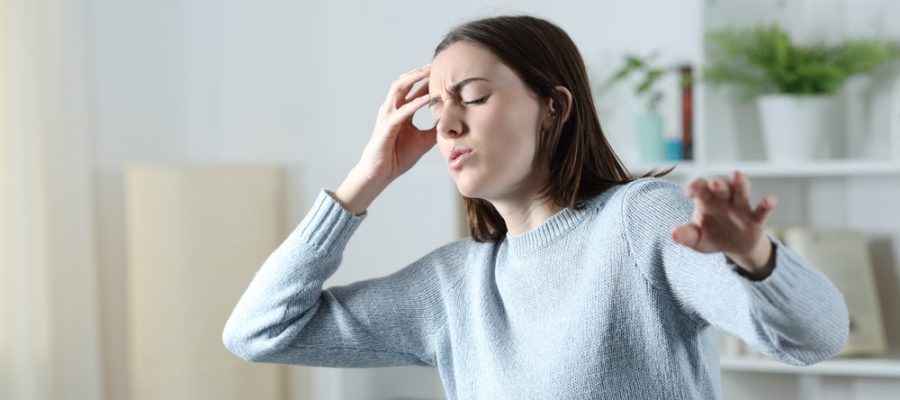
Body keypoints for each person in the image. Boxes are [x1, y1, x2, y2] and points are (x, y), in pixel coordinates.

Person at [223, 15, 849, 399]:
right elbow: (258, 332)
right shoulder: (453, 286)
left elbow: (815, 339)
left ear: (553, 107)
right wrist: (367, 176)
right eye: (436, 107)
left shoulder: (638, 220)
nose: (447, 124)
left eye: (471, 97)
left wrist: (754, 256)